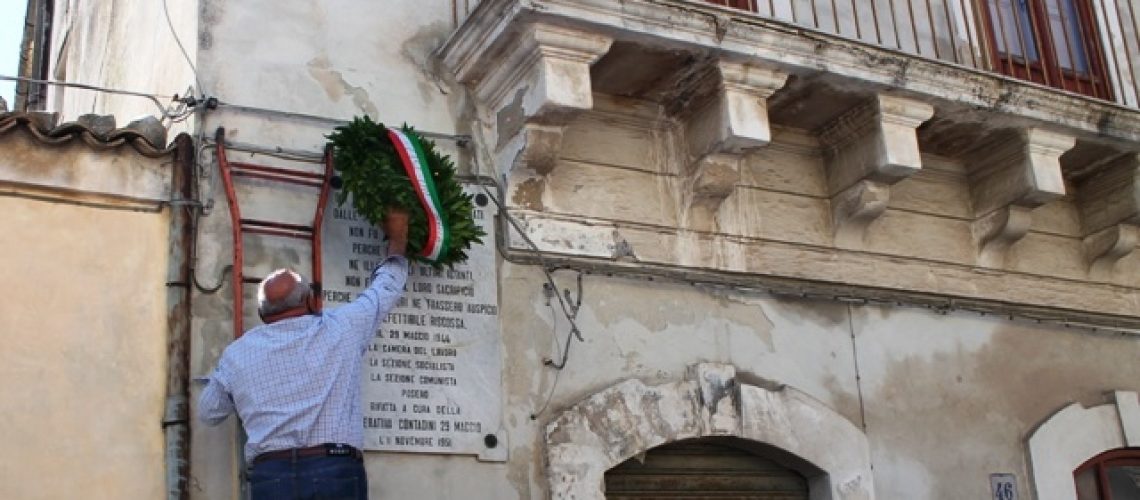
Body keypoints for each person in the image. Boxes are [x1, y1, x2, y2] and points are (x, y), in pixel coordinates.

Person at [198, 208, 410, 500]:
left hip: (271, 478)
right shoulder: (342, 327)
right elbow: (386, 286)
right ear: (311, 300)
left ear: (262, 314)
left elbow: (209, 412)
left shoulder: (238, 354)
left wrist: (225, 380)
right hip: (335, 470)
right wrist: (398, 238)